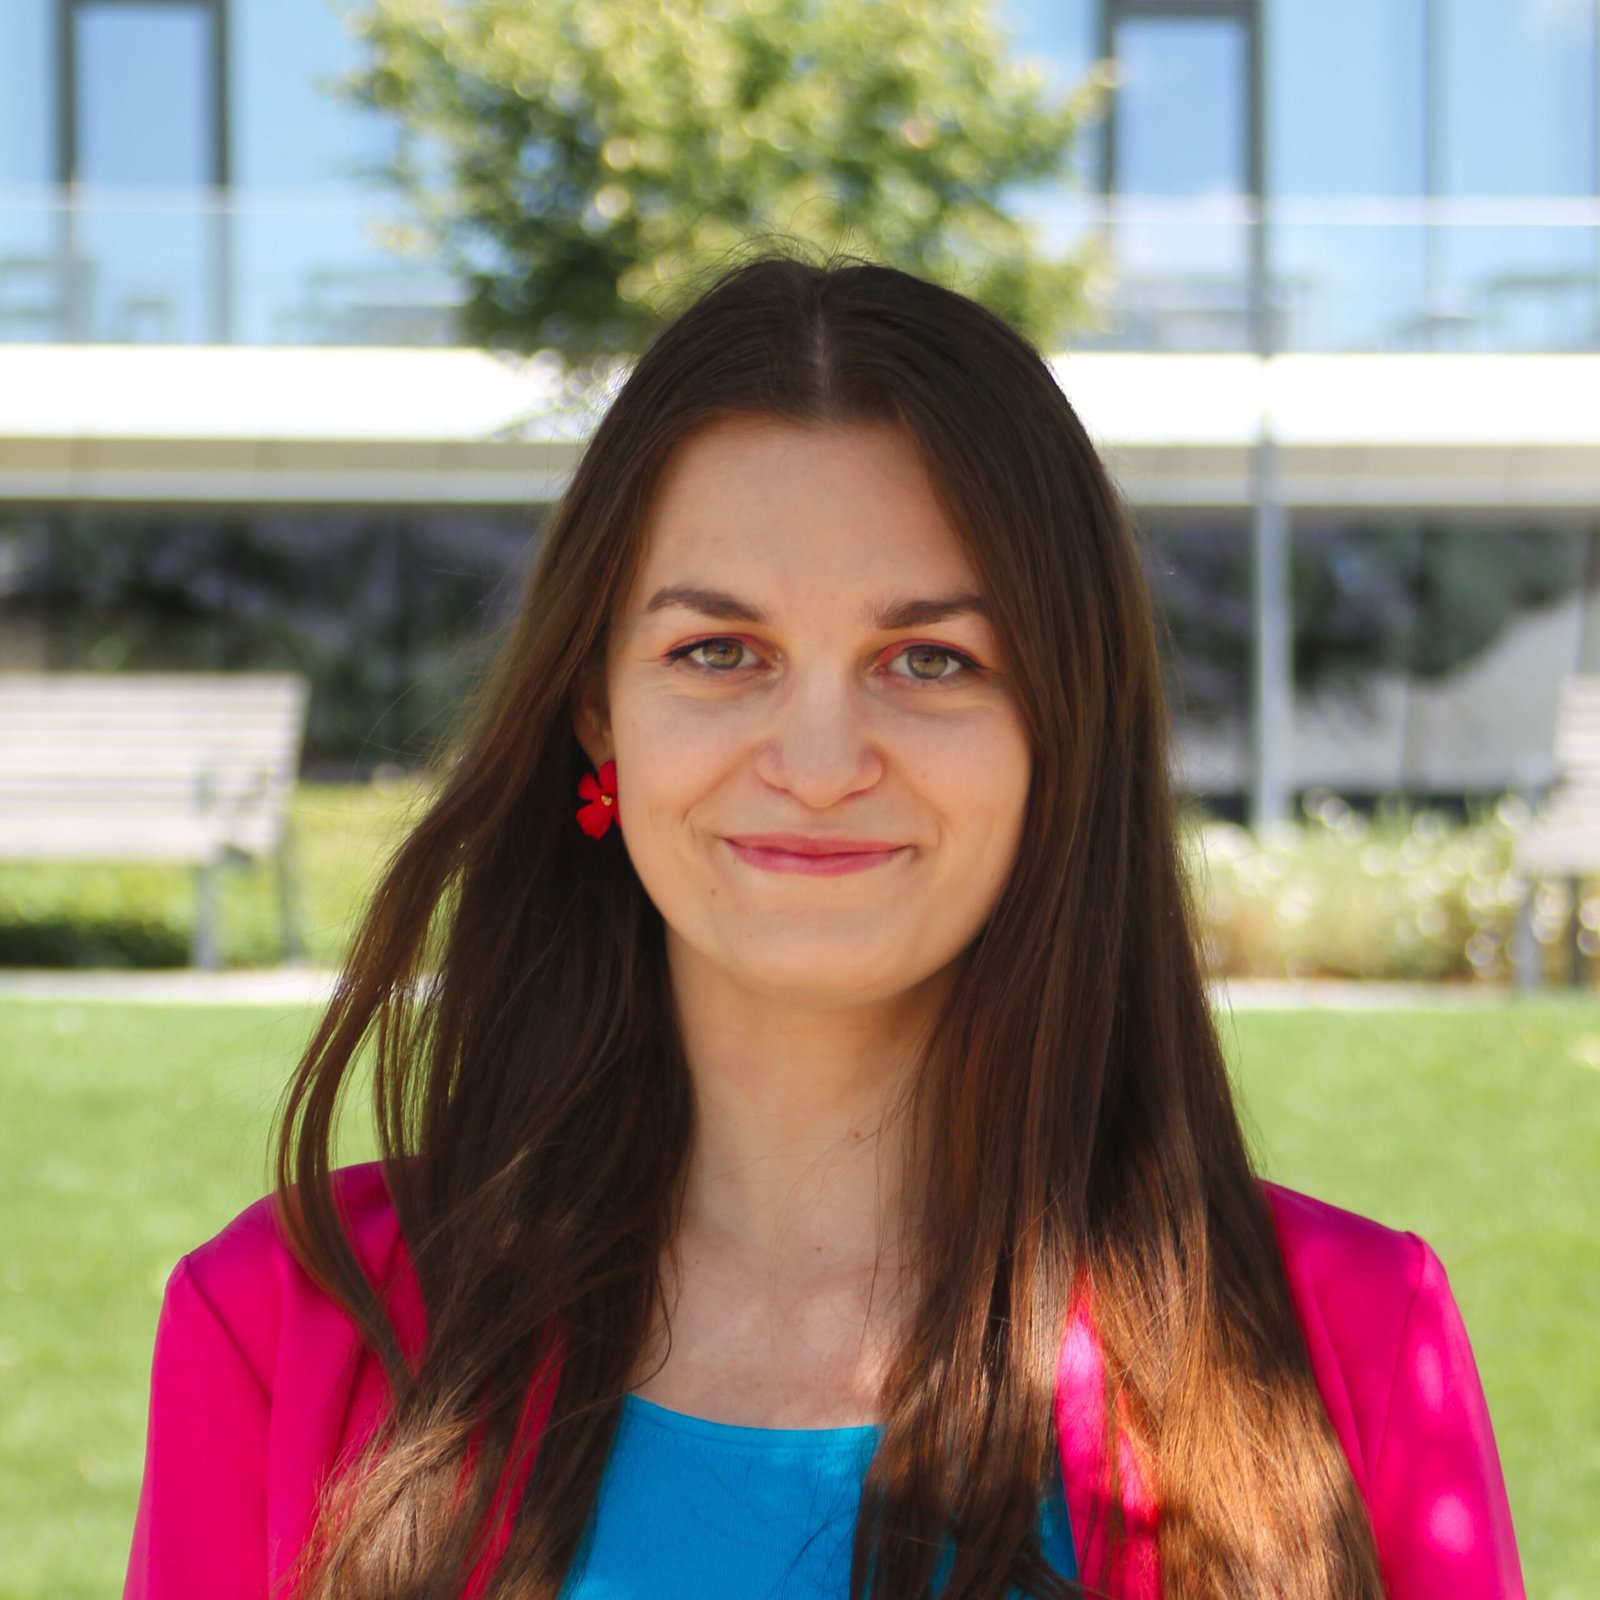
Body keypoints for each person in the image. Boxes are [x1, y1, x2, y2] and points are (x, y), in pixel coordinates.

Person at [122, 253, 1525, 1600]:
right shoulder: (286, 1323)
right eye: (717, 651)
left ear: (1062, 730)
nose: (817, 759)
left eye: (930, 659)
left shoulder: (1355, 1333)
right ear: (599, 712)